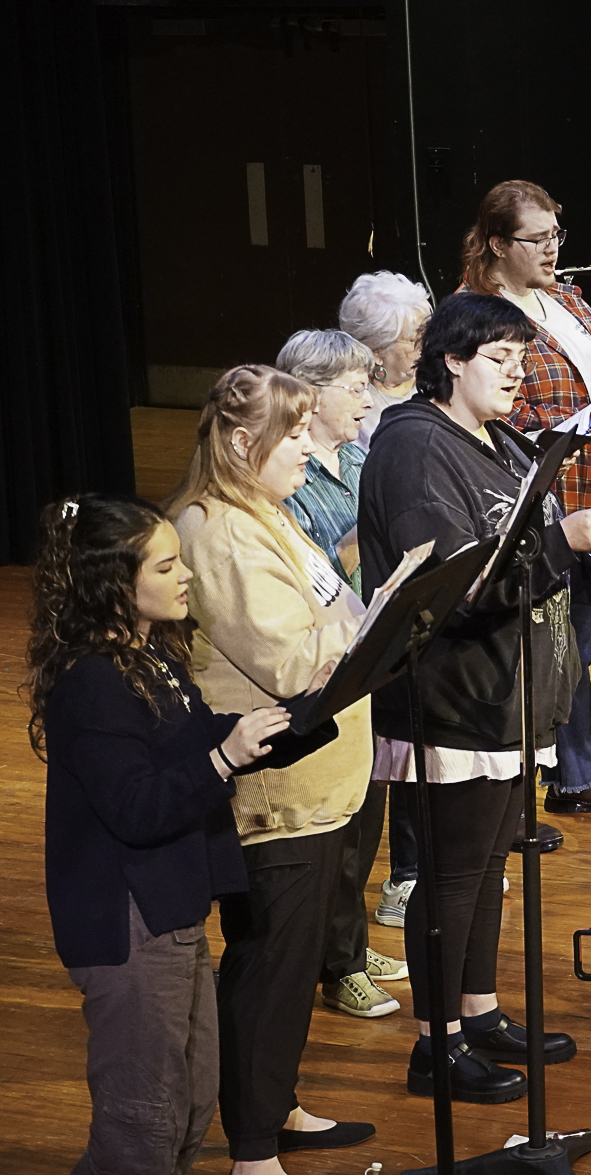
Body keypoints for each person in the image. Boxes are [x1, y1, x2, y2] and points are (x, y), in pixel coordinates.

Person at [358, 292, 591, 1103]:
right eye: (501, 359)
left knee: (491, 867)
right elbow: (457, 577)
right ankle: (435, 1046)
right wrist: (561, 539)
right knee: (454, 875)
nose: (518, 373)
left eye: (521, 357)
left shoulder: (497, 438)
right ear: (453, 360)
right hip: (453, 696)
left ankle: (479, 1011)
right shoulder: (413, 448)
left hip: (513, 691)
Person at [28, 493, 331, 1175]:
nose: (186, 574)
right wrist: (222, 759)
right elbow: (136, 806)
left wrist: (313, 706)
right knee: (143, 1123)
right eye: (167, 566)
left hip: (170, 906)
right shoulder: (93, 682)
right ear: (115, 584)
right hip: (128, 922)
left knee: (190, 1101)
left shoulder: (149, 654)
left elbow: (203, 732)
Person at [166, 366, 379, 1171]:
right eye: (290, 434)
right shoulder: (214, 528)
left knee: (293, 968)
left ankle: (276, 1103)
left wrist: (367, 612)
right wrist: (368, 623)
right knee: (268, 965)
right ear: (238, 441)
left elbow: (334, 609)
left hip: (320, 784)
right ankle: (252, 1147)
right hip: (273, 797)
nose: (305, 446)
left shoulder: (266, 510)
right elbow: (295, 659)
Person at [463, 179, 591, 817]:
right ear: (498, 243)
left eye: (557, 234)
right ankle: (554, 775)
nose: (552, 248)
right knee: (552, 647)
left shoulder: (569, 301)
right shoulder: (479, 317)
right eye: (537, 238)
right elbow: (504, 424)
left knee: (584, 643)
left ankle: (565, 768)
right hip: (550, 503)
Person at [274, 329, 411, 1021]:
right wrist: (361, 546)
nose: (367, 396)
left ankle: (350, 940)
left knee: (368, 811)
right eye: (355, 386)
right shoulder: (290, 475)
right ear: (310, 392)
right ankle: (342, 963)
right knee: (339, 829)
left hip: (374, 647)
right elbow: (310, 570)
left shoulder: (360, 454)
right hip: (326, 657)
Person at [338, 270, 432, 931]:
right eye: (414, 335)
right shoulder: (351, 408)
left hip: (426, 573)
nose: (424, 345)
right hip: (366, 583)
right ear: (373, 347)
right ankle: (401, 877)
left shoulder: (430, 391)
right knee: (389, 736)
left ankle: (422, 863)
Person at [339, 270, 432, 447]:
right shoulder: (356, 409)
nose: (427, 344)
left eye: (428, 332)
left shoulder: (439, 381)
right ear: (376, 352)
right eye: (415, 339)